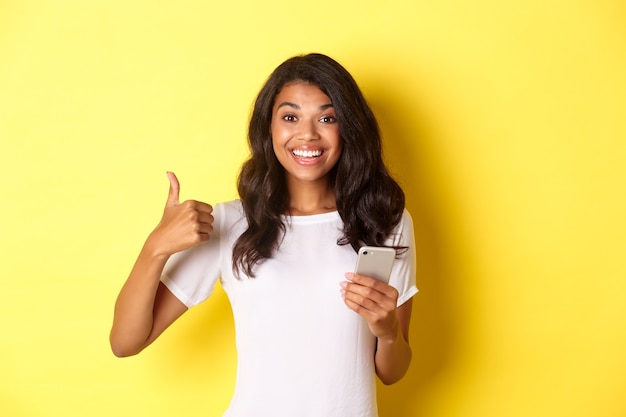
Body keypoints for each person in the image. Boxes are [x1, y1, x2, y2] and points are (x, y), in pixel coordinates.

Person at [110, 53, 418, 417]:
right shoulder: (231, 223)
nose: (307, 133)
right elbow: (125, 342)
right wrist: (156, 247)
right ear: (268, 127)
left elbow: (393, 373)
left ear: (348, 127)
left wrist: (386, 333)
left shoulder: (384, 220)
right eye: (290, 117)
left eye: (327, 117)